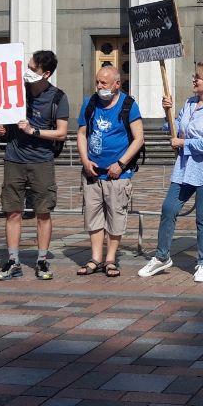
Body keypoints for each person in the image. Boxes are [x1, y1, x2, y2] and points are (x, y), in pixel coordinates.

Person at [140, 64, 203, 283]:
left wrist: (182, 143)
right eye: (194, 76)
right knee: (169, 208)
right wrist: (167, 112)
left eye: (198, 77)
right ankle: (162, 256)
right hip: (184, 167)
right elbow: (176, 127)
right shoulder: (190, 103)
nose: (194, 80)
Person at [0, 49, 69, 281]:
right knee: (12, 212)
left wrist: (33, 131)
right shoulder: (16, 91)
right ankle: (13, 260)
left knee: (43, 212)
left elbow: (62, 133)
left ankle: (42, 260)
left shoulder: (58, 97)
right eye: (27, 67)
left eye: (33, 69)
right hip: (14, 158)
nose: (27, 72)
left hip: (42, 161)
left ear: (46, 74)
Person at [76, 65, 143, 277]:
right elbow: (82, 133)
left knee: (116, 216)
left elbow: (139, 138)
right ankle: (95, 258)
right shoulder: (89, 103)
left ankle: (110, 259)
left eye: (103, 83)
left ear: (117, 84)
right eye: (97, 82)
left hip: (118, 174)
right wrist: (85, 160)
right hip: (93, 173)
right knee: (93, 216)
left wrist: (121, 164)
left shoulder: (128, 105)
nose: (99, 86)